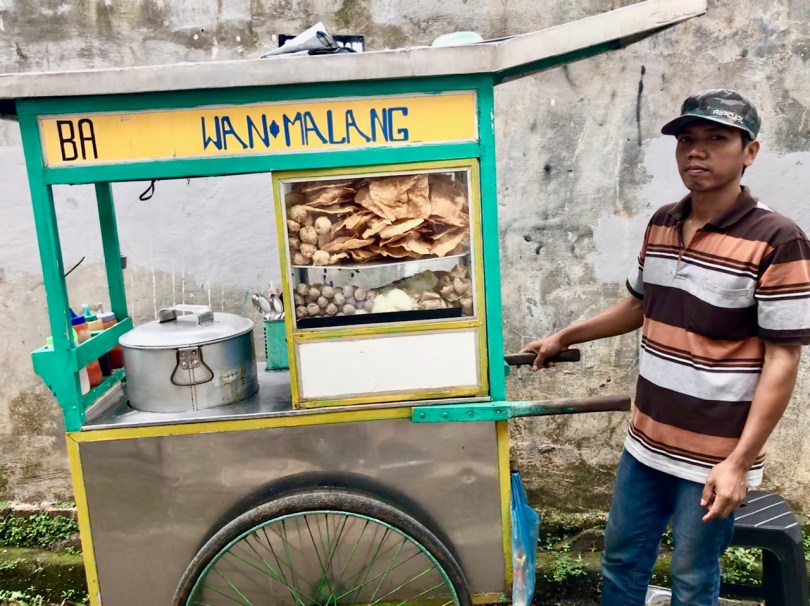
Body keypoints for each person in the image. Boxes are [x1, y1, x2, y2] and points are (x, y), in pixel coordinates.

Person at [520, 89, 810, 606]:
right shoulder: (662, 222)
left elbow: (782, 359)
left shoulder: (778, 239)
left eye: (716, 139)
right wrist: (566, 335)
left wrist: (739, 463)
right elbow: (637, 305)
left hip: (714, 456)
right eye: (687, 139)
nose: (696, 150)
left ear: (750, 152)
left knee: (692, 578)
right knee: (621, 562)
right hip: (646, 443)